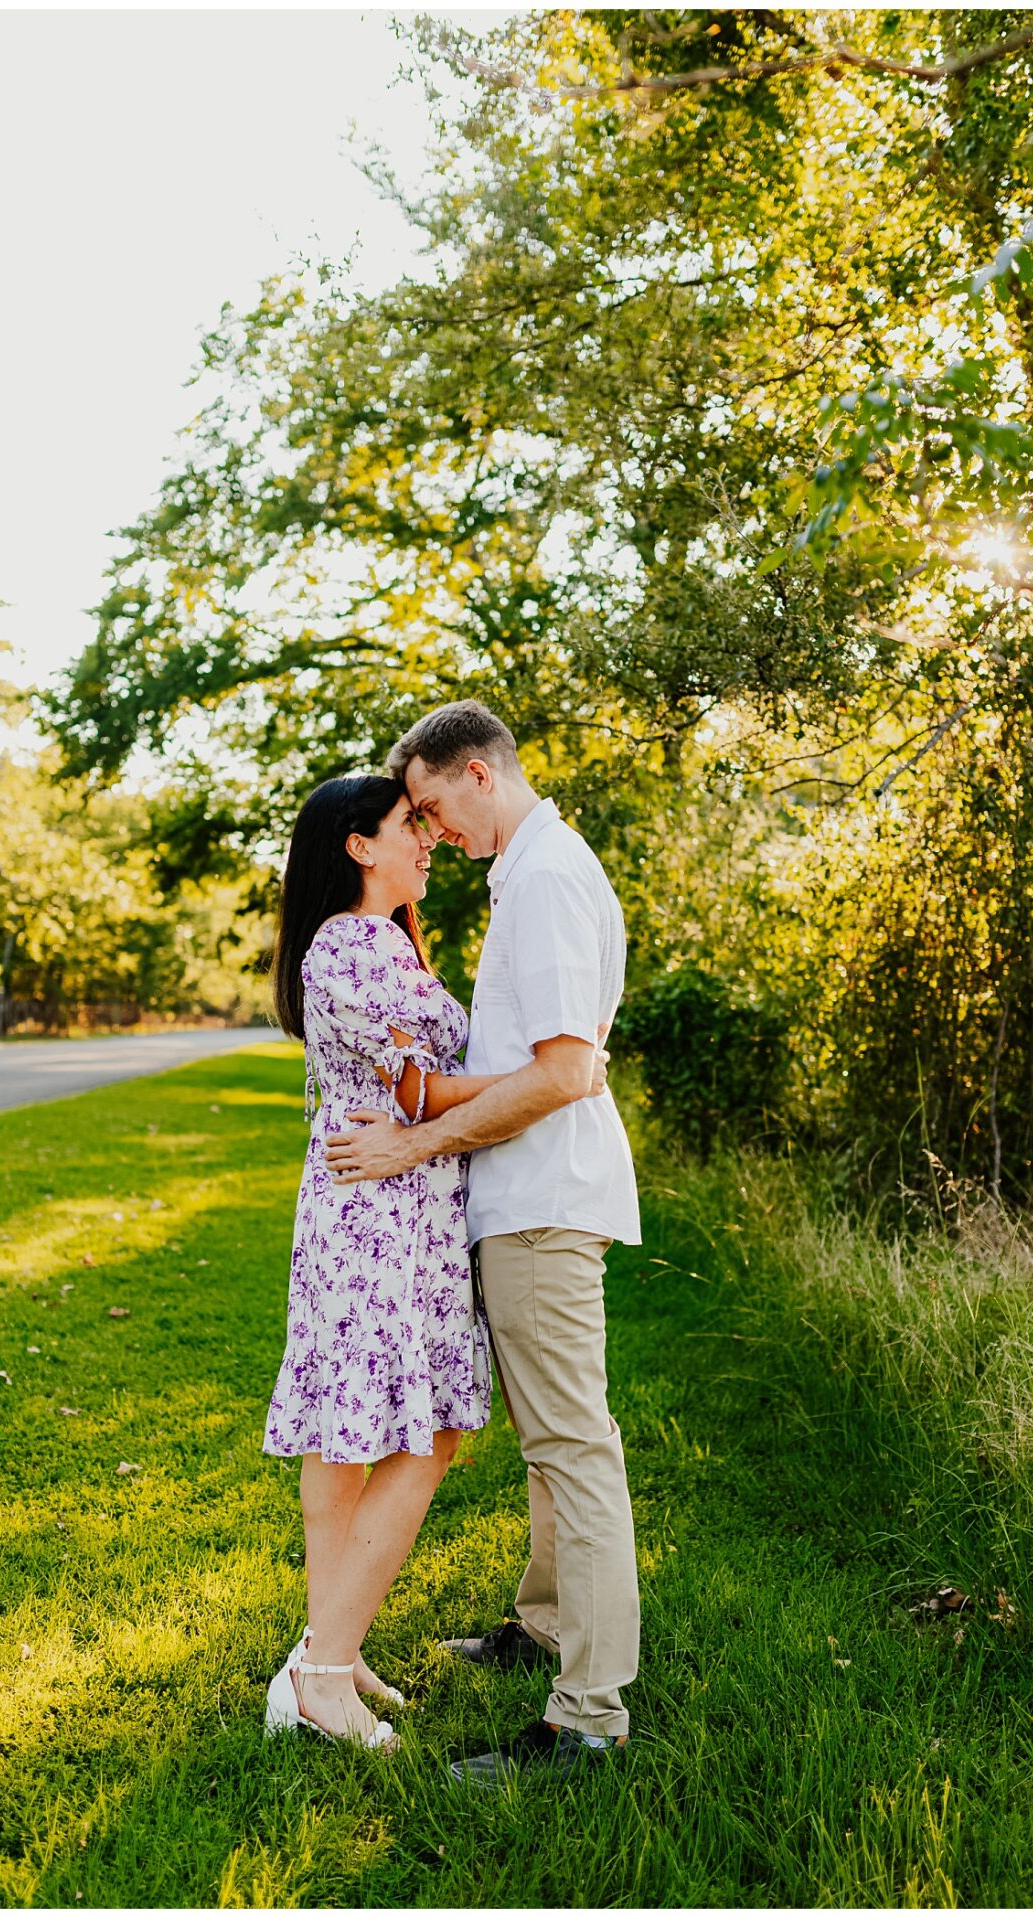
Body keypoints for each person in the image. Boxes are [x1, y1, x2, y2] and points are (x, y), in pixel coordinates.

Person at [323, 699, 643, 1788]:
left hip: (545, 1200)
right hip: (521, 1199)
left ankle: (588, 1721)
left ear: (474, 773)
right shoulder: (531, 871)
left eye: (427, 805)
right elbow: (525, 1058)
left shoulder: (547, 877)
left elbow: (563, 1072)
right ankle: (547, 1627)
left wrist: (415, 1142)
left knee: (573, 1450)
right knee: (555, 1446)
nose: (430, 830)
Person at [260, 773, 534, 1747]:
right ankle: (322, 1672)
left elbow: (418, 1089)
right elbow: (417, 1095)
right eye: (407, 827)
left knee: (359, 1434)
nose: (428, 842)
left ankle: (327, 1645)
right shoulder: (348, 946)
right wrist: (546, 1079)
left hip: (400, 1207)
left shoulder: (393, 945)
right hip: (374, 1211)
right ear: (357, 846)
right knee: (411, 1436)